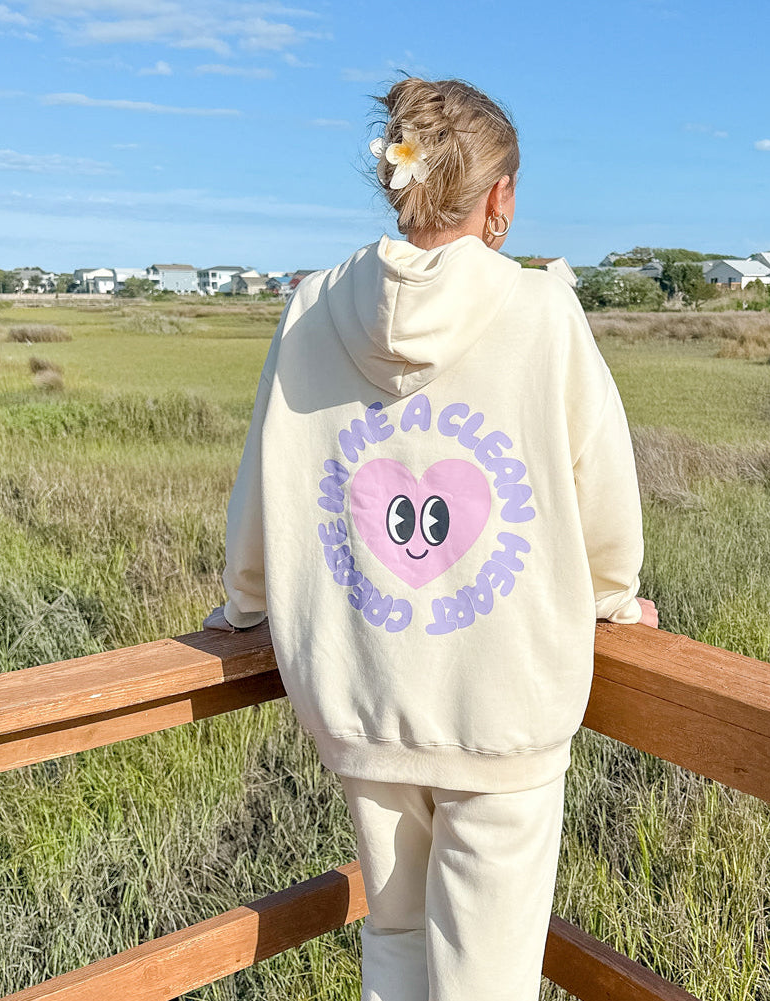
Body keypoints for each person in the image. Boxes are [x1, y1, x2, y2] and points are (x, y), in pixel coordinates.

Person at [204, 76, 657, 1001]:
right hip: (502, 707)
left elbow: (263, 487)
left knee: (397, 944)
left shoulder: (311, 308)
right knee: (487, 975)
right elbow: (603, 499)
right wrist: (613, 595)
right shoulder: (542, 311)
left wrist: (244, 607)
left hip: (361, 699)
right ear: (500, 197)